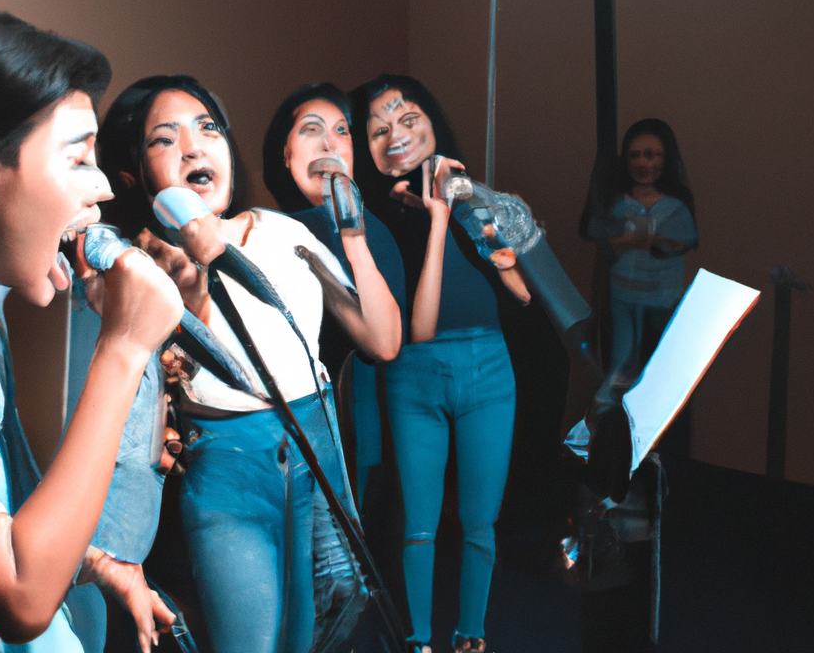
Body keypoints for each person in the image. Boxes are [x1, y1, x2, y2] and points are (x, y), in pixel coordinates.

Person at [0, 5, 183, 652]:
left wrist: (89, 559)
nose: (102, 191)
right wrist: (123, 349)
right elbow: (20, 596)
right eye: (77, 159)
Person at [96, 74, 401, 653]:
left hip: (318, 449)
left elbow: (383, 342)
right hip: (229, 470)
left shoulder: (283, 232)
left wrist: (352, 235)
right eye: (166, 139)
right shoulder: (134, 269)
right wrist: (186, 271)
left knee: (337, 607)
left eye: (208, 128)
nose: (194, 146)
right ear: (134, 172)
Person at [350, 74, 529, 653]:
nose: (395, 135)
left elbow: (525, 292)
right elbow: (419, 329)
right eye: (378, 130)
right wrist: (432, 218)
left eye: (408, 119)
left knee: (480, 523)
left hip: (490, 369)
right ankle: (419, 642)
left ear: (433, 122)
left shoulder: (475, 198)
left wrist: (467, 203)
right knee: (419, 525)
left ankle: (472, 636)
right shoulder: (372, 224)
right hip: (414, 377)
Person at [261, 82, 406, 510]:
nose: (329, 142)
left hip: (354, 436)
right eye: (311, 129)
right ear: (286, 156)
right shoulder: (265, 232)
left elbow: (384, 344)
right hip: (276, 435)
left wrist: (352, 236)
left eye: (342, 131)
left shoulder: (373, 232)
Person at [586, 119, 698, 386]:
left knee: (660, 378)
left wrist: (657, 242)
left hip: (661, 303)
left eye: (651, 155)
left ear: (665, 158)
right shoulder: (618, 202)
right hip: (622, 299)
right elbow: (597, 233)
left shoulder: (676, 206)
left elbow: (682, 243)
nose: (643, 164)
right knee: (619, 372)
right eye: (635, 155)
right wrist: (624, 241)